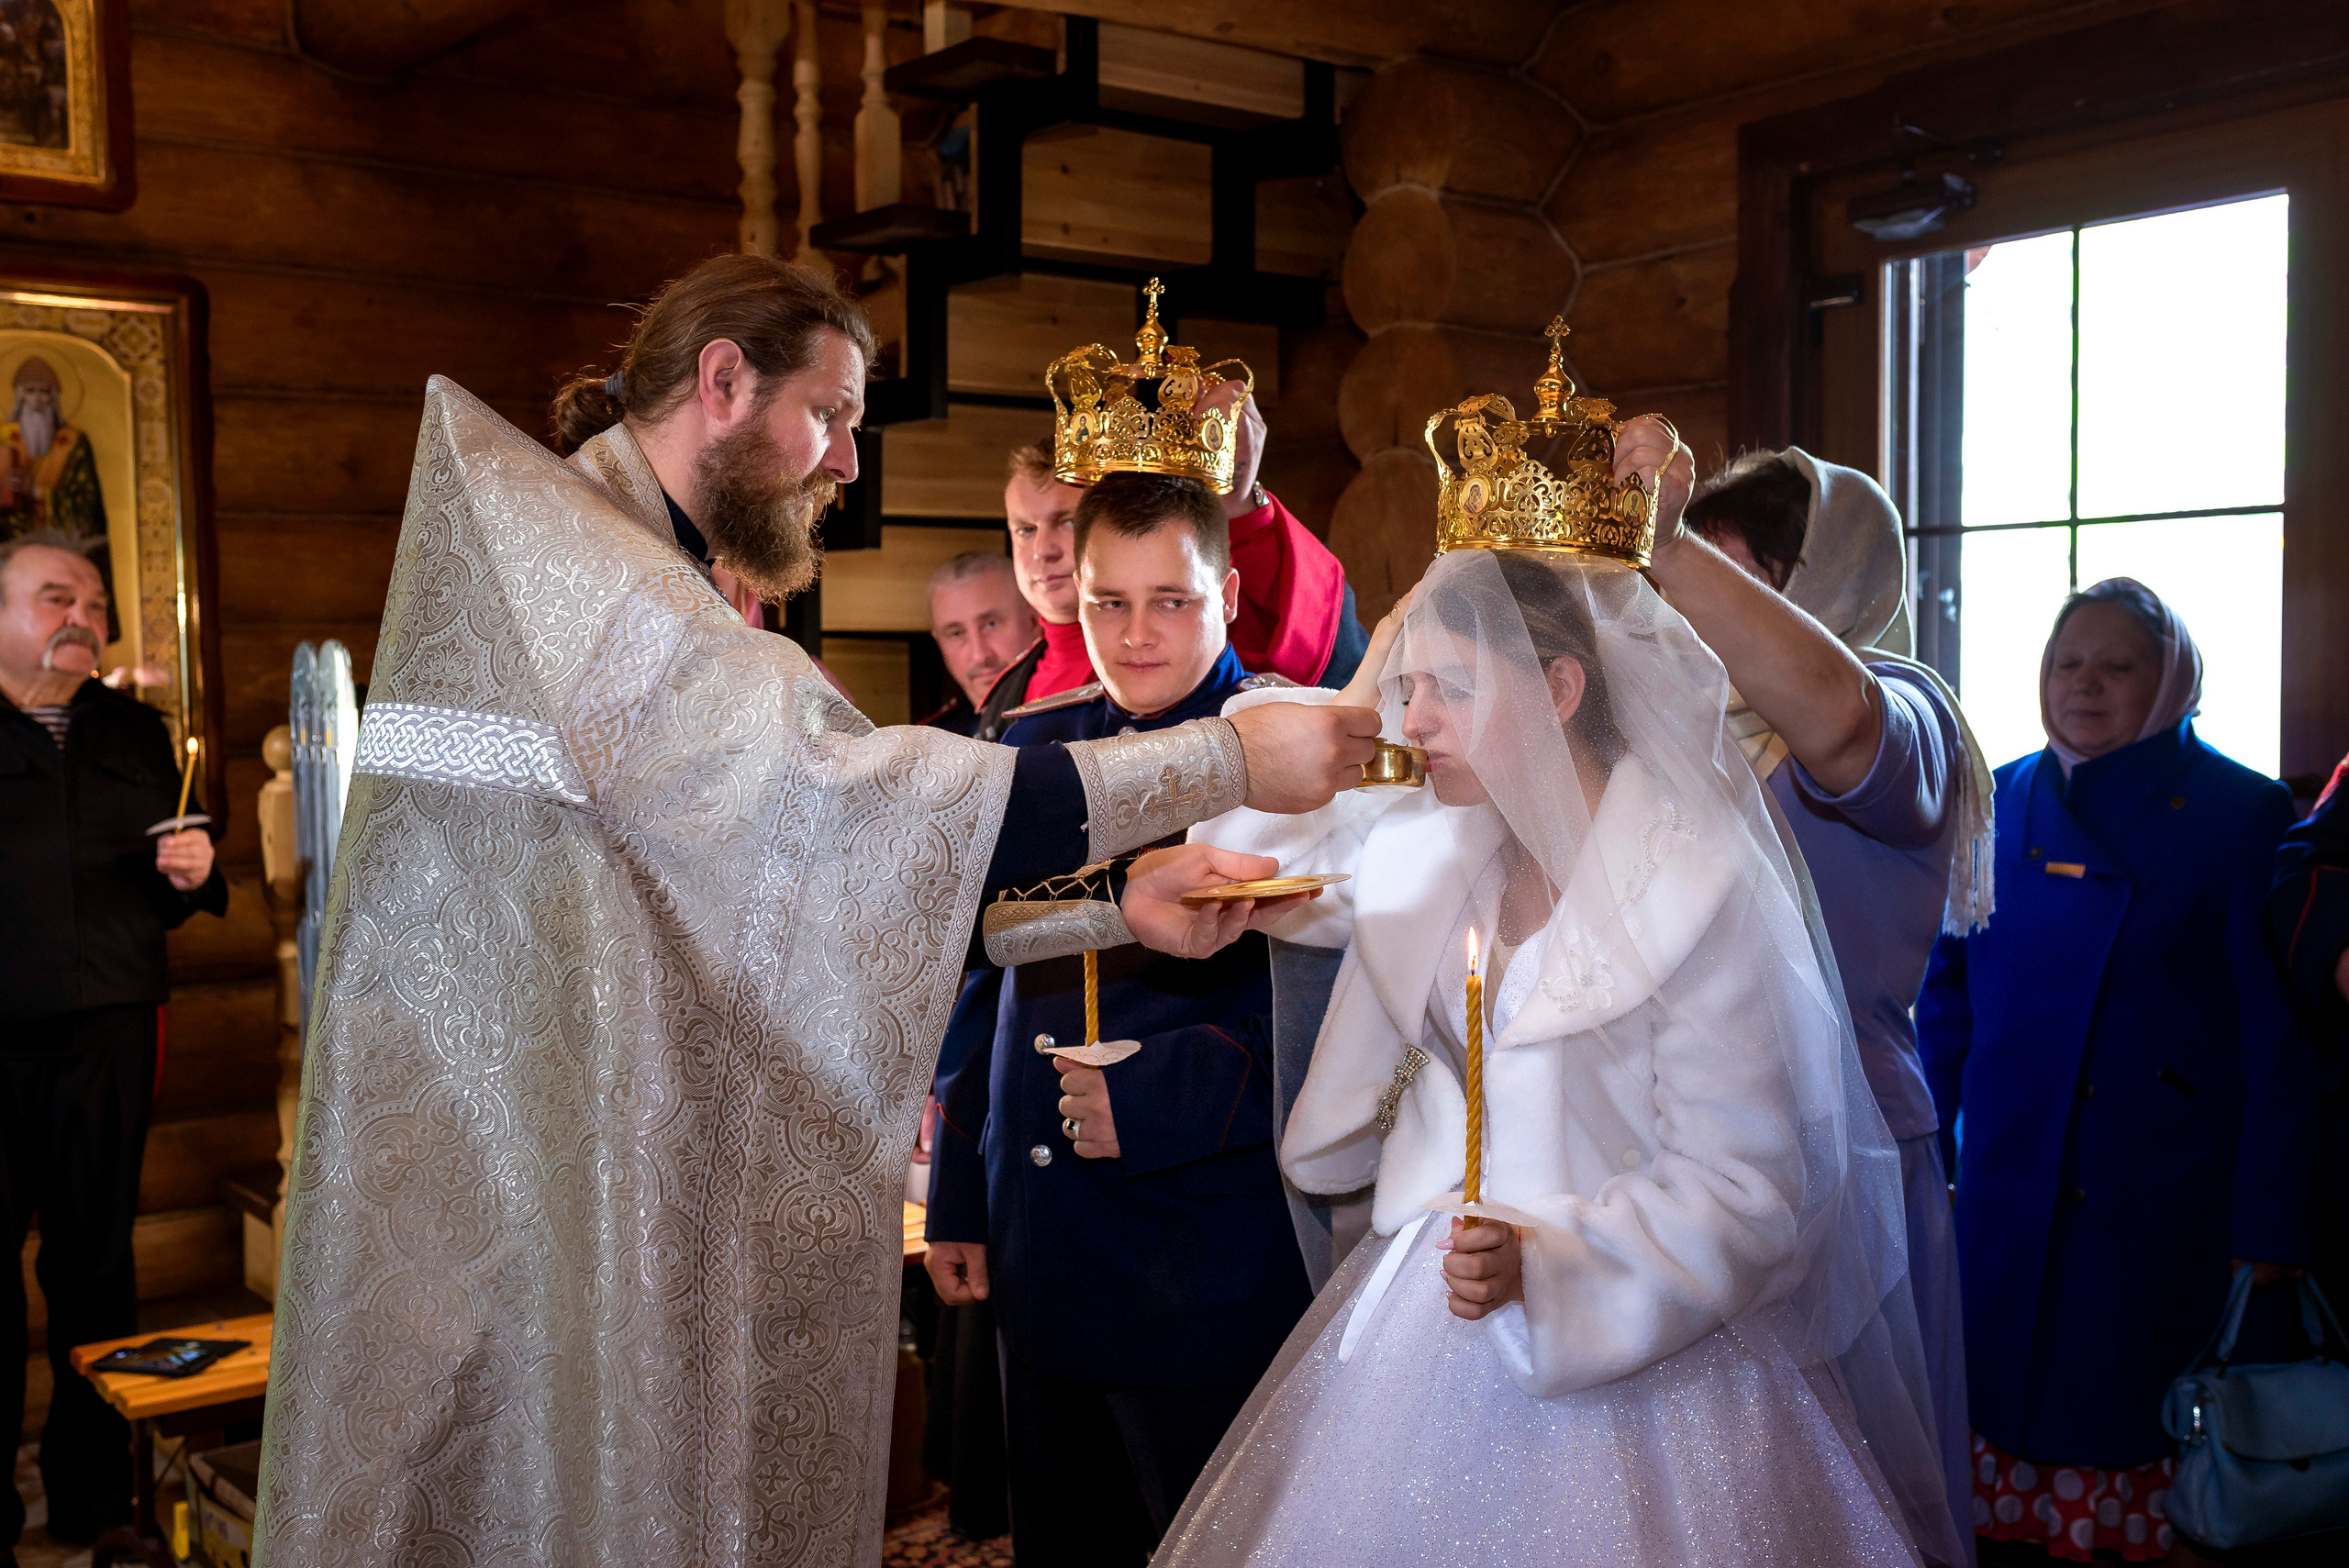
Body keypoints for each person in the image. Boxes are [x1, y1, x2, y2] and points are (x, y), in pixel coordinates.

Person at [250, 252, 1382, 1568]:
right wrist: (1226, 764)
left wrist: (1112, 902)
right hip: (531, 1156)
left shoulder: (623, 554)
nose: (848, 460)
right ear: (725, 381)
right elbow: (845, 811)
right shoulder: (602, 578)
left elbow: (798, 887)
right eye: (833, 414)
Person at [1157, 543, 1963, 1567]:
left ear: (1560, 687)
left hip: (1637, 1351)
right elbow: (1245, 837)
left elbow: (1747, 1186)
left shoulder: (1690, 885)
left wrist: (1552, 1260)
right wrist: (1378, 665)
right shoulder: (1426, 852)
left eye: (1449, 687)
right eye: (1410, 690)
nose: (1415, 724)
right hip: (1427, 1320)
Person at [924, 473, 1316, 1565]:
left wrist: (1158, 1092)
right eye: (1108, 601)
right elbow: (982, 973)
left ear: (1228, 592)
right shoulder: (1034, 740)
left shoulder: (1286, 747)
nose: (1136, 635)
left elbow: (1344, 1002)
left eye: (1172, 601)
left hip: (1201, 1238)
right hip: (1042, 1232)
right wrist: (962, 1187)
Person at [1623, 433, 1992, 1559]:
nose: (1698, 611)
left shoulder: (1902, 706)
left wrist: (1667, 540)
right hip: (1680, 1151)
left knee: (1854, 1492)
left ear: (1818, 585)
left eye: (1739, 579)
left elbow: (1835, 726)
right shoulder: (1673, 724)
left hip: (1846, 1156)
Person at [1918, 578, 2325, 1562]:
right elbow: (1944, 1003)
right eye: (2067, 662)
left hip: (2162, 1190)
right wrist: (1926, 1159)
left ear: (2171, 678)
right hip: (2006, 1183)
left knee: (2132, 1436)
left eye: (2117, 664)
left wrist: (2269, 1223)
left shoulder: (2243, 812)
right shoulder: (1993, 797)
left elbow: (2280, 1039)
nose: (2084, 684)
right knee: (1997, 1447)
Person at [0, 530, 223, 1559]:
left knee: (96, 1272)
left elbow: (179, 887)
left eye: (91, 600)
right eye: (54, 597)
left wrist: (192, 870)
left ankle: (90, 1499)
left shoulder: (140, 733)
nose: (83, 616)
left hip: (114, 1034)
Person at [968, 391, 1366, 740]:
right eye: (1024, 529)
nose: (1041, 550)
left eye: (1068, 521)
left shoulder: (1216, 653)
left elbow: (1308, 644)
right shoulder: (1019, 708)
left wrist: (1241, 509)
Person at [919, 550, 1036, 736]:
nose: (980, 656)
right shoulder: (927, 748)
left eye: (991, 624)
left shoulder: (1084, 721)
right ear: (940, 644)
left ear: (1034, 621)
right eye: (956, 634)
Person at [0, 357, 105, 539]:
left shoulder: (74, 442)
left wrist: (36, 491)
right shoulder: (3, 438)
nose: (37, 399)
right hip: (10, 546)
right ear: (20, 395)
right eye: (30, 391)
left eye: (45, 392)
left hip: (61, 547)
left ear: (54, 397)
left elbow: (89, 504)